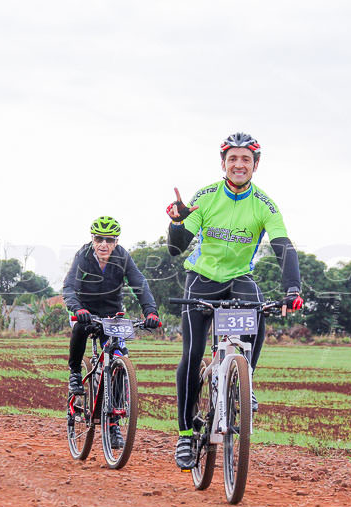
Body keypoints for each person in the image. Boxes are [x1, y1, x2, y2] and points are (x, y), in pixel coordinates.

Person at [166, 132, 303, 470]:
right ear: (223, 164)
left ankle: (246, 379)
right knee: (192, 353)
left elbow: (283, 247)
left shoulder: (265, 205)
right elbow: (175, 247)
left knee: (258, 307)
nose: (239, 164)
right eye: (233, 159)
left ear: (256, 165)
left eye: (246, 159)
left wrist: (293, 290)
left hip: (238, 278)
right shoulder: (206, 197)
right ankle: (185, 434)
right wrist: (178, 220)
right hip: (202, 278)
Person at [62, 216, 160, 449]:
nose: (103, 244)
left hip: (112, 313)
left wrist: (151, 312)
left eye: (109, 240)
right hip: (85, 310)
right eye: (99, 239)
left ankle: (114, 424)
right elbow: (68, 288)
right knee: (81, 329)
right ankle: (75, 371)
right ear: (92, 240)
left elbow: (140, 284)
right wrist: (78, 308)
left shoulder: (123, 257)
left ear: (116, 242)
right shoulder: (83, 257)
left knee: (118, 356)